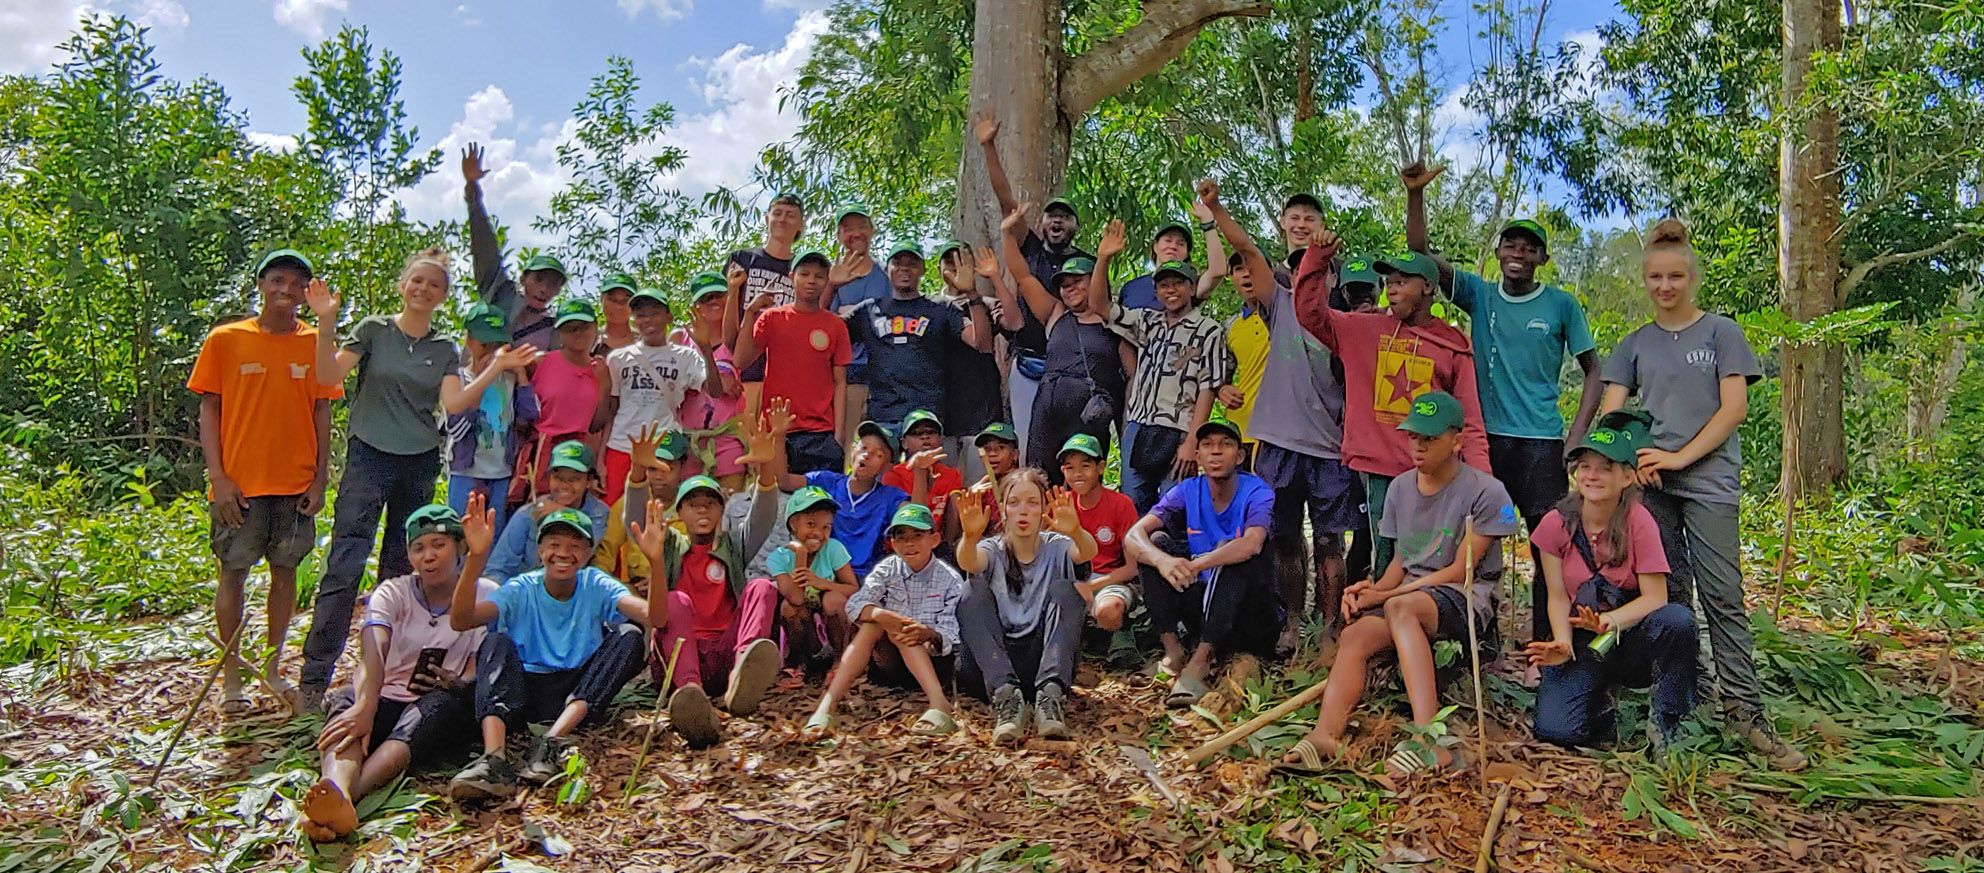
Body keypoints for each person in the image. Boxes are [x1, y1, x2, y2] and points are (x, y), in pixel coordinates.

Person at [1598, 218, 1805, 771]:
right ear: (1645, 280)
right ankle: (1679, 699)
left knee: (1723, 597)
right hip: (1653, 484)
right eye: (1656, 278)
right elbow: (1612, 413)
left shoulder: (1721, 333)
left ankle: (1745, 712)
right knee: (1668, 600)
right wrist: (1632, 458)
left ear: (1692, 277)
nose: (1666, 286)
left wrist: (1680, 457)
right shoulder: (1635, 344)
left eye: (1676, 276)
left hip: (1709, 481)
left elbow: (1733, 409)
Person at [301, 248, 538, 712]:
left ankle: (389, 679)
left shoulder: (443, 349)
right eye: (417, 280)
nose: (423, 289)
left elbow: (455, 404)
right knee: (346, 563)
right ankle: (315, 678)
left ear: (443, 295)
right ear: (403, 285)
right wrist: (326, 321)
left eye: (434, 284)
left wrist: (495, 366)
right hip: (369, 457)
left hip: (419, 460)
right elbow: (327, 374)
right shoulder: (373, 330)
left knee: (402, 571)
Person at [1404, 162, 1602, 644]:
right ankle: (1479, 638)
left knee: (1546, 547)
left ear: (1542, 258)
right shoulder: (1480, 295)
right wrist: (1415, 196)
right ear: (1497, 252)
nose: (1519, 253)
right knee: (1479, 544)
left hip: (1540, 444)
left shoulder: (1561, 305)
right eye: (1511, 244)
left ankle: (1544, 643)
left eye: (1529, 247)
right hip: (1485, 442)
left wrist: (1575, 440)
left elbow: (1596, 370)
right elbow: (1420, 255)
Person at [1279, 392, 1518, 776]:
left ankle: (1430, 740)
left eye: (1430, 439)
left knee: (1399, 608)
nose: (1418, 447)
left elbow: (1461, 571)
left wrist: (1389, 595)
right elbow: (1400, 565)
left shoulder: (1487, 492)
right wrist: (1371, 589)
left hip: (1464, 596)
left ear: (1457, 441)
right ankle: (1325, 734)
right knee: (1355, 635)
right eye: (1413, 437)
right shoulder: (1400, 488)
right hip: (1410, 593)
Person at [1201, 181, 1360, 654]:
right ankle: (1292, 622)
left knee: (1331, 540)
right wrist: (1215, 207)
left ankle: (1330, 627)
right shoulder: (1277, 307)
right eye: (1297, 269)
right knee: (1286, 539)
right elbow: (1244, 246)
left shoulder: (1347, 316)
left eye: (1317, 270)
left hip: (1329, 447)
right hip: (1277, 444)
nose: (1305, 277)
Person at [188, 248, 341, 715]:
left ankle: (273, 668)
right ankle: (231, 678)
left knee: (285, 575)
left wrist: (319, 478)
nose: (286, 291)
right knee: (232, 573)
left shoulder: (316, 341)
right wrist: (219, 477)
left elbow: (322, 410)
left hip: (294, 486)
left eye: (297, 285)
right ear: (259, 284)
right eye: (277, 280)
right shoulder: (226, 339)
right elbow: (208, 408)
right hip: (240, 485)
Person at [1292, 242, 1491, 584]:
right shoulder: (1363, 328)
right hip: (1379, 470)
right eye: (1388, 282)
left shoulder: (1454, 344)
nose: (1391, 289)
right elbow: (1310, 313)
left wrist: (1482, 482)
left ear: (1428, 287)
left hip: (1433, 472)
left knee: (1431, 557)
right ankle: (1381, 626)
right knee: (1385, 555)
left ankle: (1418, 627)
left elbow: (1468, 421)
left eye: (1402, 281)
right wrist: (1317, 258)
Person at [300, 505, 491, 841]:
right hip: (385, 692)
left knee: (427, 713)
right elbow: (374, 649)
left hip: (437, 703)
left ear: (461, 546)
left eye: (439, 544)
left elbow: (481, 665)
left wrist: (457, 682)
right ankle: (338, 792)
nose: (429, 556)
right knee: (348, 704)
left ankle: (346, 798)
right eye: (419, 548)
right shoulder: (393, 591)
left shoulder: (485, 591)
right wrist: (365, 705)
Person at [447, 494, 649, 799]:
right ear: (540, 550)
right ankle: (494, 759)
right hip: (526, 691)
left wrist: (656, 562)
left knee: (629, 636)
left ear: (586, 552)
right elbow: (462, 620)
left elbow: (653, 616)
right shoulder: (521, 588)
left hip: (577, 694)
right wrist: (476, 558)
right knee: (495, 641)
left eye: (574, 546)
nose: (562, 554)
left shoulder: (595, 582)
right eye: (554, 545)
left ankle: (551, 743)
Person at [1526, 412, 1697, 756]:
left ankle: (1667, 718)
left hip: (1627, 635)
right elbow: (1557, 595)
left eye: (1605, 467)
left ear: (1627, 476)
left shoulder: (1640, 521)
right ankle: (1600, 708)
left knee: (1678, 621)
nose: (1593, 475)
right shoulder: (1554, 524)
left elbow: (1655, 598)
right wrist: (1561, 640)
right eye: (1586, 466)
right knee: (1555, 730)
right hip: (1583, 638)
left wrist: (1609, 622)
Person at [1125, 418, 1279, 707]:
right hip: (1205, 608)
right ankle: (1173, 654)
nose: (1216, 452)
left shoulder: (1257, 491)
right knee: (1154, 543)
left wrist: (1197, 565)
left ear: (1240, 455)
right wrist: (1162, 561)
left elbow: (1252, 542)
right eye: (1207, 445)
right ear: (1197, 457)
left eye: (1226, 445)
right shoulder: (1187, 490)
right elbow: (1133, 536)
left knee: (1234, 550)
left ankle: (1202, 661)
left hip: (1251, 614)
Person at [629, 473, 783, 749]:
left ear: (722, 511)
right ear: (679, 513)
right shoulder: (669, 545)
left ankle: (742, 676)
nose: (702, 509)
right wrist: (638, 475)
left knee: (762, 586)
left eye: (710, 504)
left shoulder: (734, 545)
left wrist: (767, 470)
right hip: (681, 658)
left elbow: (763, 515)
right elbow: (637, 523)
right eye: (693, 504)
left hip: (726, 653)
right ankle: (693, 700)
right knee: (676, 600)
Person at [1090, 219, 1231, 512]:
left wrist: (1193, 440)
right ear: (1156, 291)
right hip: (1138, 427)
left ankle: (1172, 558)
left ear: (1192, 287)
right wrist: (1103, 258)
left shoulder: (1209, 330)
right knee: (1132, 509)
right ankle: (1138, 560)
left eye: (1179, 283)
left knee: (1173, 512)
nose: (1172, 290)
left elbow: (1209, 387)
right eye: (1164, 285)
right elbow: (1100, 307)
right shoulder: (1147, 321)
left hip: (1179, 429)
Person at [976, 113, 1093, 454]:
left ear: (1074, 226)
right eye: (1051, 215)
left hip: (1071, 371)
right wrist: (988, 146)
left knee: (1071, 451)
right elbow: (1005, 199)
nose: (1057, 221)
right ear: (1041, 223)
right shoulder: (1029, 248)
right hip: (1027, 363)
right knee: (1029, 448)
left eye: (1065, 217)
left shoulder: (1087, 263)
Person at [953, 469, 1096, 744]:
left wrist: (1076, 530)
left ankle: (1050, 699)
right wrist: (969, 537)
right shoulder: (992, 548)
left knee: (1067, 590)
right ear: (1003, 509)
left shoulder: (1057, 545)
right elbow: (968, 562)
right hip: (994, 667)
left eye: (1032, 502)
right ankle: (1007, 700)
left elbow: (1087, 552)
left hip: (1044, 662)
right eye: (1014, 502)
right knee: (972, 591)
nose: (1024, 511)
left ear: (1045, 509)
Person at [804, 503, 965, 737]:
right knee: (876, 622)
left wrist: (928, 634)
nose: (909, 544)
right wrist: (879, 614)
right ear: (893, 543)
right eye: (901, 537)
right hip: (890, 664)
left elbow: (953, 635)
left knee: (902, 628)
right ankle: (827, 706)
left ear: (935, 539)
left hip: (932, 664)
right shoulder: (888, 568)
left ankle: (938, 703)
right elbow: (856, 604)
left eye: (917, 536)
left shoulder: (950, 580)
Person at [996, 204, 1127, 481]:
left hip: (1088, 416)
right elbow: (1023, 275)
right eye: (1065, 284)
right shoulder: (1055, 313)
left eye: (1078, 281)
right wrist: (1008, 234)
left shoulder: (1115, 325)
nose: (1070, 288)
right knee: (1039, 479)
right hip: (1048, 411)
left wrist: (1102, 259)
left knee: (1084, 484)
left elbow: (1132, 379)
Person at [844, 242, 994, 434]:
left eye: (912, 263)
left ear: (923, 269)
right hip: (882, 418)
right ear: (887, 269)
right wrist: (831, 287)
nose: (904, 268)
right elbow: (824, 333)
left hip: (927, 420)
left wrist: (972, 293)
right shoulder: (869, 309)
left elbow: (981, 344)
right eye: (897, 263)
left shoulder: (941, 307)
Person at [730, 248, 852, 475]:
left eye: (818, 276)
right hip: (776, 429)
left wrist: (839, 435)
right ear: (792, 278)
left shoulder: (836, 325)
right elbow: (741, 360)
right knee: (775, 501)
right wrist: (749, 314)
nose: (811, 281)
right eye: (804, 274)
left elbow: (840, 382)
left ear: (827, 281)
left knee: (821, 504)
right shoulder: (772, 318)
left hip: (820, 432)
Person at [599, 285, 723, 506]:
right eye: (640, 315)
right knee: (614, 512)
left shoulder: (686, 356)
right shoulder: (618, 358)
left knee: (659, 510)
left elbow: (715, 391)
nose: (647, 320)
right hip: (622, 446)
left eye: (654, 313)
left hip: (663, 449)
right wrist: (601, 457)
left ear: (668, 316)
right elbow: (612, 409)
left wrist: (705, 348)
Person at [772, 420, 924, 582]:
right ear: (852, 449)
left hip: (864, 578)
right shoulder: (827, 480)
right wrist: (779, 435)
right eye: (863, 448)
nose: (867, 455)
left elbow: (917, 519)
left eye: (878, 454)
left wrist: (920, 472)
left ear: (887, 467)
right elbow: (784, 481)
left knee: (833, 601)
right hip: (823, 571)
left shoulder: (889, 496)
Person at [445, 301, 538, 540]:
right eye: (485, 344)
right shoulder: (458, 377)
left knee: (493, 538)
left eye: (498, 345)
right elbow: (456, 428)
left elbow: (530, 415)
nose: (491, 351)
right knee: (462, 537)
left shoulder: (509, 379)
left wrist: (519, 374)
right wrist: (485, 375)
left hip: (501, 473)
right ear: (468, 340)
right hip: (466, 474)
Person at [462, 144, 565, 353]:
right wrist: (472, 190)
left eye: (553, 285)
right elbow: (485, 248)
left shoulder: (556, 325)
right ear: (523, 278)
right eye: (539, 280)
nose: (544, 289)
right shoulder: (500, 294)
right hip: (485, 381)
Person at [936, 241, 1013, 483]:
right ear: (938, 269)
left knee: (982, 488)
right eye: (950, 261)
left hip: (982, 414)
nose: (957, 267)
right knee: (941, 491)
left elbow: (998, 334)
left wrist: (975, 293)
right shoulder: (929, 308)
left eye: (963, 260)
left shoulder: (988, 304)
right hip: (941, 417)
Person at [722, 193, 805, 417]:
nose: (782, 220)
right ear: (767, 218)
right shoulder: (742, 259)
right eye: (777, 213)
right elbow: (722, 314)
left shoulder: (801, 270)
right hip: (742, 364)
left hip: (782, 370)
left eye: (790, 215)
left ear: (800, 225)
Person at [485, 440, 612, 583]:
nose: (565, 485)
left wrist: (560, 512)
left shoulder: (598, 512)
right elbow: (497, 568)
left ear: (588, 480)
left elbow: (582, 557)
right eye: (558, 478)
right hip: (524, 589)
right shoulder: (529, 513)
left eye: (574, 479)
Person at [1057, 435, 1140, 634]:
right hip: (1070, 580)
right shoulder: (1060, 504)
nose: (1077, 474)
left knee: (1108, 610)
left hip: (1109, 579)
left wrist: (1092, 585)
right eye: (1070, 468)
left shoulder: (1121, 504)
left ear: (1101, 467)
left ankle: (1116, 639)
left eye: (1085, 466)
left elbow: (1132, 568)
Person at [528, 298, 610, 500]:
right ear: (560, 333)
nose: (578, 333)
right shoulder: (541, 362)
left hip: (581, 454)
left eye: (583, 327)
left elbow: (598, 423)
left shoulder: (601, 369)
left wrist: (605, 385)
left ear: (595, 328)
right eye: (570, 328)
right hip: (544, 453)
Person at [674, 272, 749, 493]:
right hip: (689, 444)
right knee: (691, 509)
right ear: (695, 306)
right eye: (706, 299)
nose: (713, 302)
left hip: (727, 443)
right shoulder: (680, 339)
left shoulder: (738, 340)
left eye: (718, 295)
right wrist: (707, 377)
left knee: (729, 512)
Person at [769, 485, 861, 664]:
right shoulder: (778, 557)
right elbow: (796, 598)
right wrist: (801, 555)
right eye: (811, 524)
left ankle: (842, 661)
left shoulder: (833, 548)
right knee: (788, 608)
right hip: (804, 623)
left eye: (826, 527)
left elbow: (853, 588)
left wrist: (822, 583)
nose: (818, 533)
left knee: (833, 600)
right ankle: (798, 662)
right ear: (794, 523)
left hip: (829, 618)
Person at [827, 203, 892, 430]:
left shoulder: (887, 275)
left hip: (882, 374)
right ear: (838, 236)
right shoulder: (830, 278)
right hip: (844, 373)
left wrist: (850, 310)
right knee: (844, 446)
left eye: (861, 226)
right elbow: (825, 323)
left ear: (872, 230)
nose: (855, 234)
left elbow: (894, 319)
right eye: (847, 229)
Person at [1116, 205, 1228, 310]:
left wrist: (1207, 223)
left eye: (1180, 244)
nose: (1173, 246)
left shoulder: (1190, 285)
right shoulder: (1132, 288)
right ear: (1155, 246)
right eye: (1168, 240)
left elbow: (1217, 272)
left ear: (1187, 253)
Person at [883, 409, 964, 518]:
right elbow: (911, 520)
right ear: (904, 443)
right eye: (916, 433)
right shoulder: (894, 475)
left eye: (931, 432)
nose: (925, 437)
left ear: (941, 440)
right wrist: (920, 470)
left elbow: (953, 517)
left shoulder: (951, 474)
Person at [594, 273, 640, 354]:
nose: (618, 306)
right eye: (612, 300)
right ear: (601, 300)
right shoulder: (589, 342)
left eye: (625, 300)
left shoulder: (646, 343)